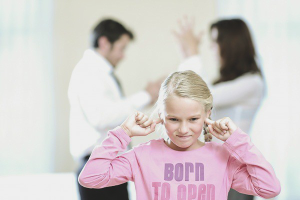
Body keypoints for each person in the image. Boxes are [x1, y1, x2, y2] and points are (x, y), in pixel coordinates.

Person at [78, 70, 280, 200]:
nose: (183, 130)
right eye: (174, 119)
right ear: (161, 116)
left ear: (207, 115)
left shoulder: (223, 157)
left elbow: (270, 188)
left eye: (193, 119)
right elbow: (90, 177)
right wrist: (124, 133)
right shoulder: (142, 156)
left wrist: (238, 140)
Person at [68, 19, 161, 200]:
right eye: (121, 48)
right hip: (98, 167)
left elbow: (111, 112)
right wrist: (144, 96)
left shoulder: (99, 73)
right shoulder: (88, 71)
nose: (123, 55)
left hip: (109, 165)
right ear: (104, 43)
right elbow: (101, 117)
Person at [173, 18, 265, 200]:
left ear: (231, 45)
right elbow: (190, 94)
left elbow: (202, 95)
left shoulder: (253, 83)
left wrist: (193, 53)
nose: (212, 48)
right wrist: (186, 54)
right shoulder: (226, 82)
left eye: (215, 42)